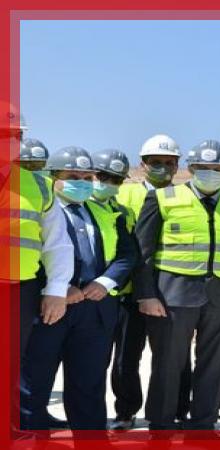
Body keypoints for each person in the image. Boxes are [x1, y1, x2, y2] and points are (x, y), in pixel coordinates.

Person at [134, 140, 220, 430]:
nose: (210, 173)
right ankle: (161, 424)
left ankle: (203, 424)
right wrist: (146, 295)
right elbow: (143, 252)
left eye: (217, 168)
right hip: (172, 295)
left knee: (216, 364)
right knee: (168, 363)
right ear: (190, 169)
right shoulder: (162, 198)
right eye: (203, 167)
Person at [21, 146, 137, 430]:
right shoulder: (41, 210)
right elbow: (29, 254)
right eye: (73, 176)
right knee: (33, 384)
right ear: (53, 177)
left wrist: (105, 282)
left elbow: (127, 253)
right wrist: (59, 288)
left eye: (87, 177)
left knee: (89, 387)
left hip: (95, 312)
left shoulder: (105, 212)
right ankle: (32, 439)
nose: (82, 183)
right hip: (49, 310)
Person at [0, 106, 74, 434]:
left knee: (10, 362)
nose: (10, 141)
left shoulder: (39, 187)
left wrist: (56, 290)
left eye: (16, 135)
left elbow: (57, 244)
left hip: (19, 289)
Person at [110, 134, 191, 431]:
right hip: (129, 290)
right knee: (126, 356)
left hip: (170, 291)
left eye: (169, 162)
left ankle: (178, 410)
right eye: (156, 162)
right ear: (142, 164)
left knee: (176, 356)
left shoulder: (186, 197)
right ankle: (125, 411)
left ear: (178, 166)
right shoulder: (124, 194)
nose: (163, 167)